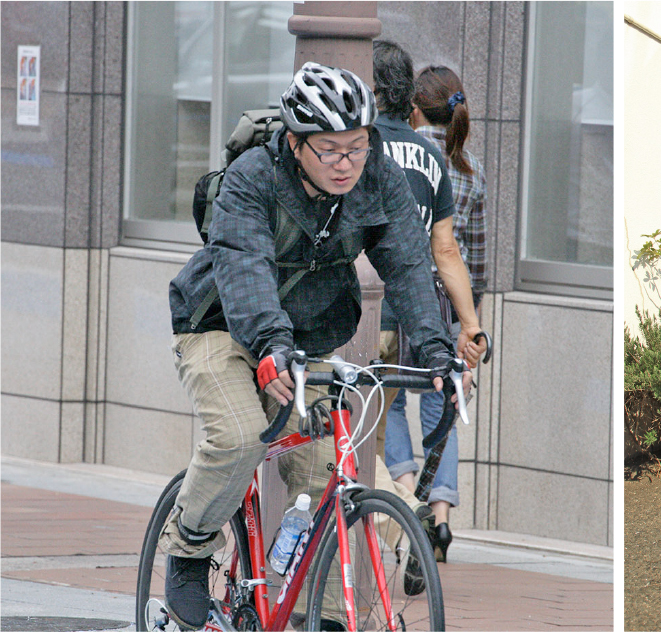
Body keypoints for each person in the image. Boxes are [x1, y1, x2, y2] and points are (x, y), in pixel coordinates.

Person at [161, 62, 467, 630]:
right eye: (330, 149)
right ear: (296, 143)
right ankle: (190, 545)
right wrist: (270, 344)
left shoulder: (375, 174)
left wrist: (435, 351)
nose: (348, 162)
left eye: (358, 145)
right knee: (238, 436)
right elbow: (247, 268)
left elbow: (406, 263)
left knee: (330, 470)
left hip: (303, 337)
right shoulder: (253, 179)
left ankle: (317, 618)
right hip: (220, 325)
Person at [371, 44, 486, 563]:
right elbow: (471, 255)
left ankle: (405, 494)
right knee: (442, 406)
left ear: (414, 107)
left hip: (398, 299)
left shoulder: (390, 149)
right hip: (446, 310)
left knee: (388, 402)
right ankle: (439, 519)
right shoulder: (470, 170)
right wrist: (471, 324)